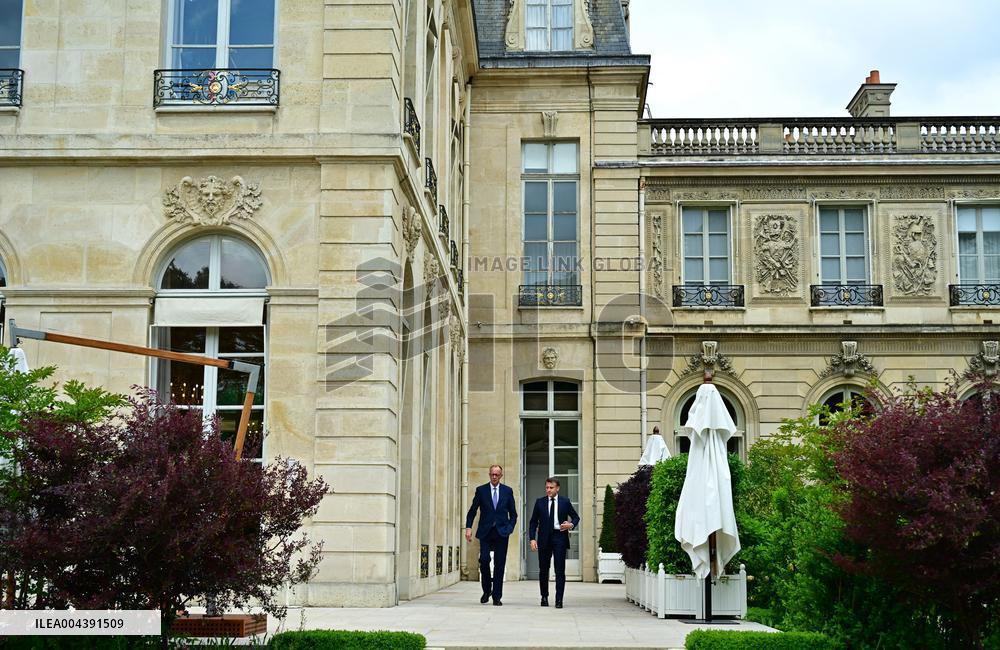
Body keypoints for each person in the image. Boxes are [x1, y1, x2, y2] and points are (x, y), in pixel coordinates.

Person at [465, 464, 517, 606]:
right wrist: (468, 527)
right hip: (485, 532)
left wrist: (509, 528)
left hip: (501, 532)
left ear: (501, 475)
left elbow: (513, 514)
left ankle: (497, 596)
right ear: (489, 475)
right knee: (484, 560)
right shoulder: (481, 490)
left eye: (497, 474)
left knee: (500, 564)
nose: (494, 477)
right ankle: (486, 590)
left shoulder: (507, 491)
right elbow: (472, 511)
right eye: (492, 474)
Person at [528, 476, 580, 608]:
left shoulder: (565, 502)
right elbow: (533, 522)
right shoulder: (540, 502)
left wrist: (571, 525)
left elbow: (576, 517)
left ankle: (559, 599)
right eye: (547, 487)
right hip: (544, 538)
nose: (548, 490)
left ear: (557, 488)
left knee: (559, 570)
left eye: (551, 488)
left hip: (560, 537)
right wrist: (532, 539)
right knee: (544, 569)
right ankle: (544, 597)